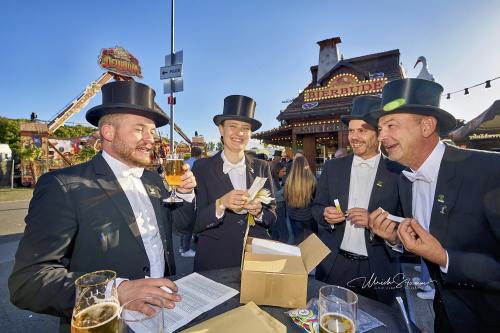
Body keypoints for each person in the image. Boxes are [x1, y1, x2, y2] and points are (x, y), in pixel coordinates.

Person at [8, 81, 197, 331]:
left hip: (162, 315)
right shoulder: (62, 185)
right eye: (140, 129)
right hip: (106, 324)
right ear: (108, 133)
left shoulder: (155, 181)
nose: (150, 140)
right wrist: (115, 291)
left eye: (152, 132)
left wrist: (185, 194)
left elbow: (183, 228)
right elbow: (28, 282)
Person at [371, 78, 500, 332]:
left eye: (391, 125)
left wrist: (444, 258)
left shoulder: (490, 171)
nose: (381, 136)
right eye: (380, 128)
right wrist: (396, 238)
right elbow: (426, 241)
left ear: (427, 126)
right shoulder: (406, 179)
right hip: (442, 317)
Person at [312, 95, 404, 304]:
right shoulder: (332, 167)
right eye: (351, 131)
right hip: (333, 265)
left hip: (377, 270)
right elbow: (316, 208)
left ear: (379, 133)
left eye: (362, 130)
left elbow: (409, 224)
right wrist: (325, 215)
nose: (354, 137)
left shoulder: (398, 172)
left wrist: (377, 224)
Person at [192, 95, 276, 271]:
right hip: (215, 260)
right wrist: (221, 204)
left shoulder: (262, 166)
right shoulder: (201, 168)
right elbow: (193, 222)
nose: (239, 133)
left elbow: (272, 214)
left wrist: (260, 212)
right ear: (221, 130)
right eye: (233, 126)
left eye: (245, 128)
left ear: (250, 134)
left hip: (255, 259)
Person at [284, 154, 317, 244]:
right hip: (309, 216)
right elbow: (316, 199)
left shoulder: (289, 181)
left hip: (293, 216)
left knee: (298, 241)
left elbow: (286, 199)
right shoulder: (312, 180)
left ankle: (300, 257)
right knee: (312, 243)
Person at [179, 146, 203, 257]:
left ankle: (181, 247)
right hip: (193, 195)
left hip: (182, 194)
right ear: (200, 154)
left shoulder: (185, 162)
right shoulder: (198, 164)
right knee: (190, 221)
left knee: (182, 220)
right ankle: (185, 249)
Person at [270, 161, 288, 242]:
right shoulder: (272, 180)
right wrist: (285, 188)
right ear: (277, 170)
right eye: (283, 171)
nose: (284, 173)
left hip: (280, 206)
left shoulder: (278, 179)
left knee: (276, 229)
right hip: (278, 207)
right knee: (282, 230)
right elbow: (273, 195)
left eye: (285, 171)